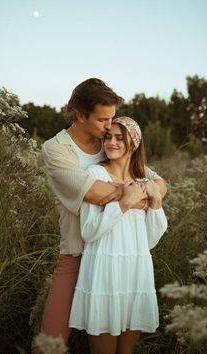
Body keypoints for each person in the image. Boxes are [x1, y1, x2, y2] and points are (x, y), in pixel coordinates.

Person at [40, 79, 167, 344]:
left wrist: (145, 193)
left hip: (120, 255)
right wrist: (134, 194)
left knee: (124, 324)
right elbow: (93, 192)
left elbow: (158, 183)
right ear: (80, 115)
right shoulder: (56, 149)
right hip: (77, 253)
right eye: (103, 120)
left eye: (112, 119)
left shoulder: (108, 143)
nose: (110, 127)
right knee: (51, 340)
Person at [69, 117, 168, 354]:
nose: (111, 142)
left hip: (135, 269)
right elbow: (89, 230)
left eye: (119, 138)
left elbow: (150, 240)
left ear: (133, 143)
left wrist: (155, 201)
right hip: (104, 268)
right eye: (108, 137)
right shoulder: (95, 175)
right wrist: (123, 204)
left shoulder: (144, 182)